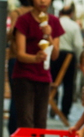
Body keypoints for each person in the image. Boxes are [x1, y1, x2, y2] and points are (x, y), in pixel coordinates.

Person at [11, 0, 64, 130]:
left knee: (41, 121)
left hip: (44, 76)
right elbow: (20, 54)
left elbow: (55, 55)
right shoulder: (24, 20)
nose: (42, 1)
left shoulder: (54, 21)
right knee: (25, 120)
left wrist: (48, 35)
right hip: (24, 76)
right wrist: (35, 58)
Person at [51, 4, 84, 119]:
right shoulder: (74, 26)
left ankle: (52, 106)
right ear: (71, 14)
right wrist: (80, 60)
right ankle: (65, 112)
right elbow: (78, 45)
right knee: (68, 85)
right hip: (69, 56)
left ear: (60, 13)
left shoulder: (55, 22)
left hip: (54, 54)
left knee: (53, 82)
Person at [6, 0, 33, 136]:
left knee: (16, 96)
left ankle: (14, 130)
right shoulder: (39, 13)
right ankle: (27, 130)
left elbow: (11, 34)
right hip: (34, 58)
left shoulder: (16, 13)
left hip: (16, 57)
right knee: (30, 97)